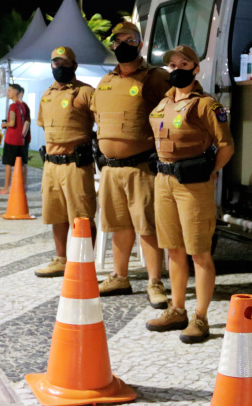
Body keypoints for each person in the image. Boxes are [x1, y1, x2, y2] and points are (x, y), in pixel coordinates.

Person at [145, 45, 234, 343]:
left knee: (199, 252)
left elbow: (226, 146)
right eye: (172, 65)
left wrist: (210, 172)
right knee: (173, 249)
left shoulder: (206, 105)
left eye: (183, 64)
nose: (176, 69)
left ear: (196, 69)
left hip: (193, 185)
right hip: (164, 181)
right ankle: (177, 309)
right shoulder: (163, 102)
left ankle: (200, 317)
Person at [89, 21, 170, 306]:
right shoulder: (105, 81)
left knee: (147, 226)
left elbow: (171, 113)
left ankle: (155, 282)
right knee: (118, 225)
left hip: (141, 168)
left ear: (140, 44)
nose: (122, 45)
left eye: (129, 40)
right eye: (117, 41)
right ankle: (119, 277)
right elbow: (97, 116)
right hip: (111, 169)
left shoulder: (155, 77)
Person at [33, 46, 97, 278]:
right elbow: (43, 125)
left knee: (82, 216)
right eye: (56, 63)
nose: (60, 67)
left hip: (75, 164)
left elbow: (102, 121)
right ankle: (61, 259)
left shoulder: (86, 92)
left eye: (65, 63)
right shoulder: (47, 94)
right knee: (56, 215)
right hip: (51, 164)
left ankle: (83, 263)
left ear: (74, 65)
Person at [0, 84, 30, 194]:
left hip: (11, 139)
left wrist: (4, 125)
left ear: (15, 92)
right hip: (20, 140)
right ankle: (22, 186)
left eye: (9, 90)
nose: (8, 92)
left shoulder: (13, 106)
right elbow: (26, 123)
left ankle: (6, 188)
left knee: (8, 164)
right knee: (21, 164)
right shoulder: (22, 106)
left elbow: (12, 123)